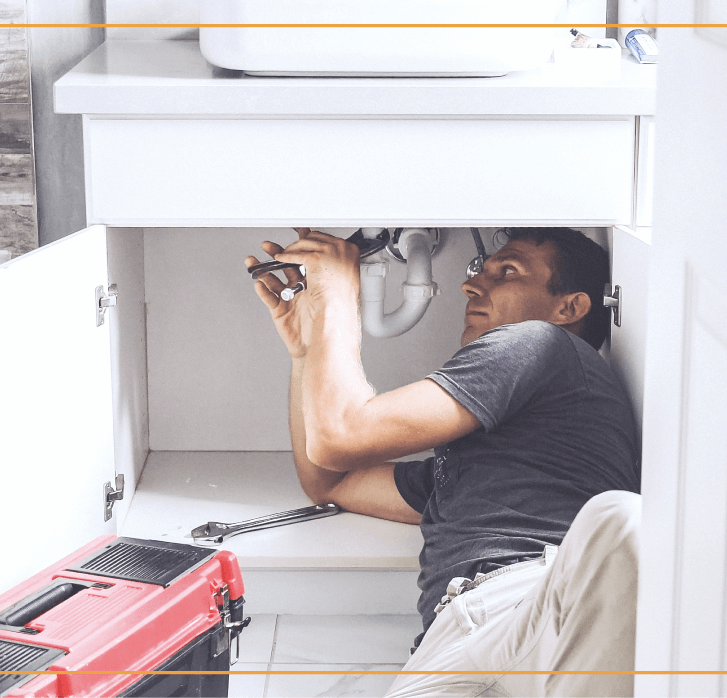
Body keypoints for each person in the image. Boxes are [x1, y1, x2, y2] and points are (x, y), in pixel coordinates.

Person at [246, 227, 642, 697]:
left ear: (570, 308)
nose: (471, 285)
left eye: (508, 270)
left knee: (623, 520)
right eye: (483, 269)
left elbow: (340, 437)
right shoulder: (475, 468)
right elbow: (329, 480)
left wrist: (339, 293)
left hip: (540, 607)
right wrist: (305, 351)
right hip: (447, 643)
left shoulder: (541, 342)